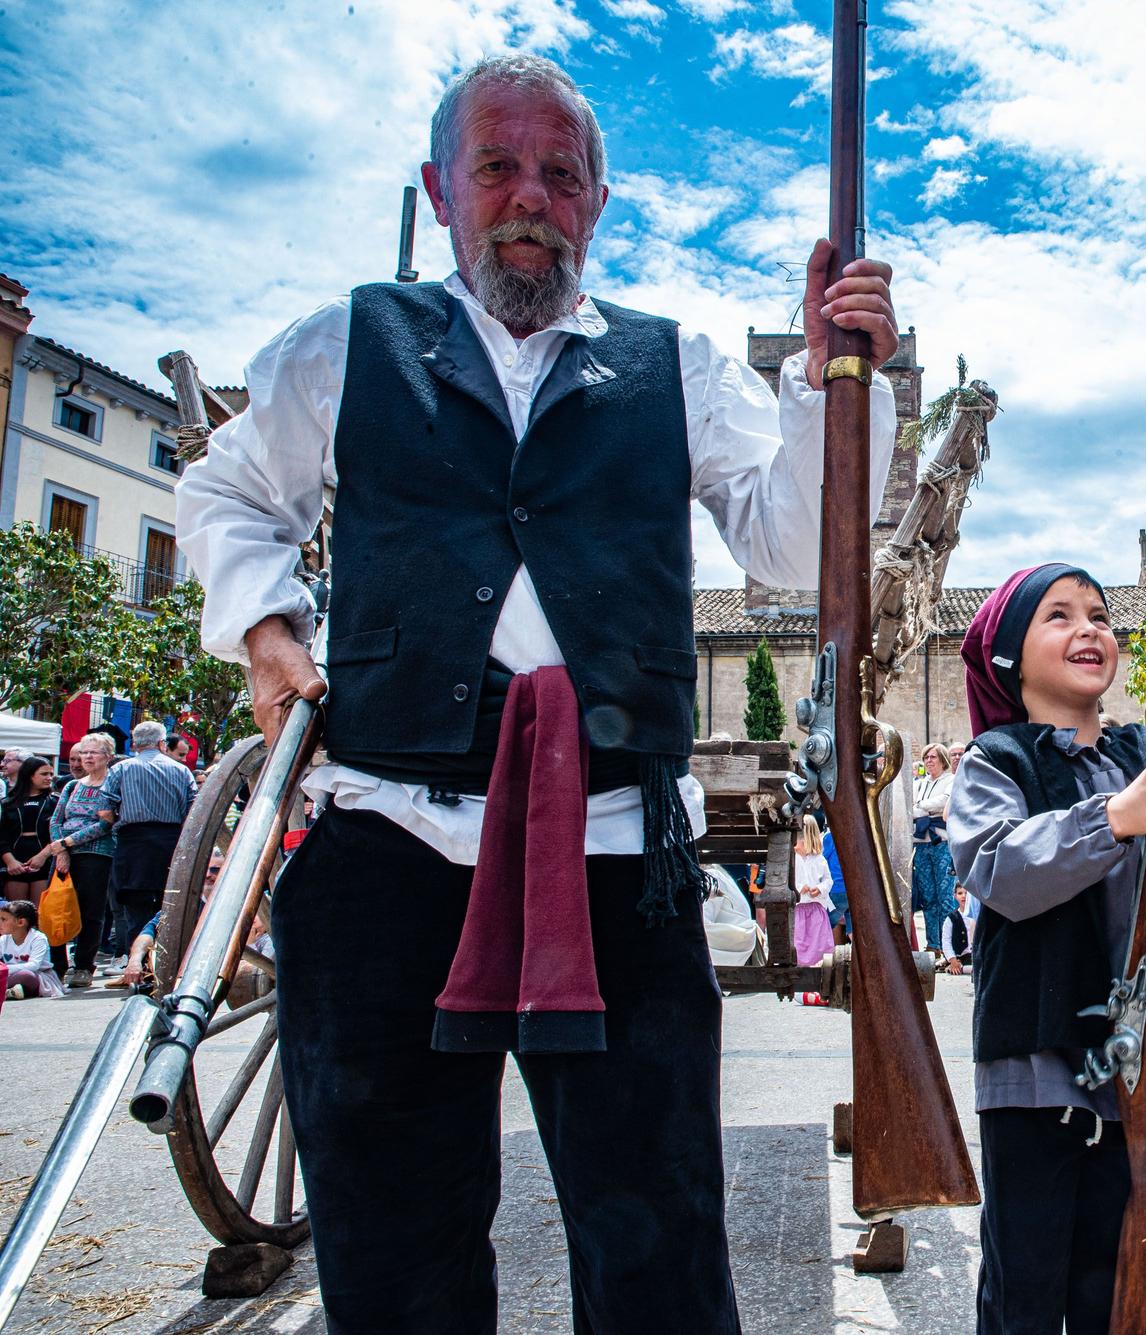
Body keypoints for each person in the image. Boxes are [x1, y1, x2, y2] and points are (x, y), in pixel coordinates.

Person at [174, 52, 900, 1334]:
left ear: (599, 201)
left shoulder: (668, 364)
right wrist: (271, 639)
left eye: (559, 175)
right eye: (497, 167)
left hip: (617, 853)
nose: (529, 198)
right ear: (440, 188)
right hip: (387, 841)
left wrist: (837, 383)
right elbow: (228, 492)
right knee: (395, 1245)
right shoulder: (347, 344)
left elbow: (795, 547)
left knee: (658, 1242)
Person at [949, 563, 1146, 1335]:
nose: (1089, 626)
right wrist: (1117, 817)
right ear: (1008, 657)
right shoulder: (995, 761)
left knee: (1122, 1272)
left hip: (1139, 1064)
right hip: (1036, 1066)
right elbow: (998, 865)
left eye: (1098, 612)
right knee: (1023, 1281)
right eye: (1057, 615)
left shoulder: (1141, 750)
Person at [97, 720, 196, 959]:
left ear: (135, 743)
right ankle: (167, 963)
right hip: (171, 843)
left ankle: (137, 965)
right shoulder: (182, 770)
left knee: (135, 911)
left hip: (133, 845)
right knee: (169, 907)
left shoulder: (121, 769)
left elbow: (104, 811)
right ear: (162, 743)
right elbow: (194, 810)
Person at [38, 736, 118, 989]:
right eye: (84, 753)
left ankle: (84, 965)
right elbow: (56, 819)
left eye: (94, 752)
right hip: (65, 854)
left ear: (108, 756)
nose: (88, 757)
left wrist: (68, 843)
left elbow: (106, 823)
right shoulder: (72, 786)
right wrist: (61, 849)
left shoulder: (112, 785)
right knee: (56, 905)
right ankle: (57, 964)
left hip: (96, 855)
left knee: (90, 911)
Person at [2, 760, 57, 966]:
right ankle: (12, 959)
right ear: (30, 775)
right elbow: (2, 837)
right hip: (14, 860)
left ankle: (39, 960)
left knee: (39, 915)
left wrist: (43, 855)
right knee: (14, 915)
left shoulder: (54, 801)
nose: (49, 778)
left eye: (51, 773)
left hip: (43, 859)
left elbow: (58, 833)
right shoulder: (7, 802)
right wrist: (10, 861)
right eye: (44, 773)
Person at [911, 742, 958, 954]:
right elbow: (909, 806)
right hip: (922, 844)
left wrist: (921, 807)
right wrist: (924, 809)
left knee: (946, 895)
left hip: (942, 843)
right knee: (928, 897)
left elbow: (944, 802)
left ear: (942, 760)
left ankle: (950, 946)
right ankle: (933, 944)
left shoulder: (951, 780)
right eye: (926, 757)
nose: (929, 761)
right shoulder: (918, 784)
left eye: (933, 757)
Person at [792, 814, 835, 978]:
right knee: (800, 942)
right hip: (799, 909)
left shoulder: (819, 860)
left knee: (819, 942)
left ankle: (818, 972)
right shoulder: (793, 859)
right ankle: (801, 972)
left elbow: (828, 880)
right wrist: (798, 888)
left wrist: (819, 888)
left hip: (816, 908)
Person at [1, 900, 64, 1001]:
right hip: (12, 975)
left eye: (3, 919)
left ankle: (9, 990)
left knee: (26, 975)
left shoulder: (38, 938)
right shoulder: (4, 939)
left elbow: (34, 965)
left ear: (21, 922)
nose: (0, 922)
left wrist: (6, 969)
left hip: (38, 976)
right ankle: (11, 992)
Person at [942, 884, 973, 974]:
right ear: (955, 896)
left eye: (966, 893)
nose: (964, 896)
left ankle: (963, 969)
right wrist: (952, 959)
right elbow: (946, 940)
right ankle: (954, 966)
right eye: (960, 893)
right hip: (962, 957)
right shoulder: (951, 918)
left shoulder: (977, 915)